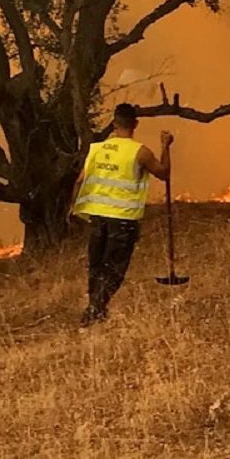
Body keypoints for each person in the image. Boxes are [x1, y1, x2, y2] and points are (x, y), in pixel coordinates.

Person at [71, 103, 173, 328]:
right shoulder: (140, 152)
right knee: (115, 267)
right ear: (135, 124)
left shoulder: (97, 150)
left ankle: (95, 307)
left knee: (96, 266)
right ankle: (95, 310)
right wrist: (165, 146)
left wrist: (74, 211)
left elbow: (80, 181)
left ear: (114, 124)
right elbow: (164, 173)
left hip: (98, 218)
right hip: (123, 219)